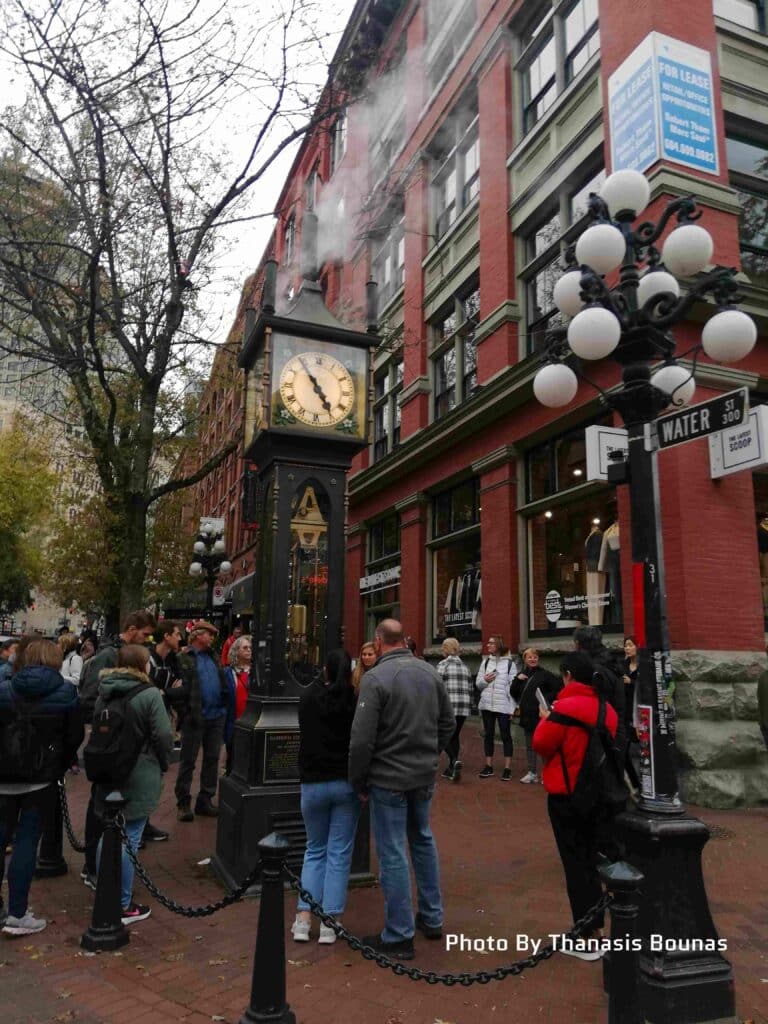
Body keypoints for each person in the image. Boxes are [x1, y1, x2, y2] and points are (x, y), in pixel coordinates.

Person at [349, 619, 454, 960]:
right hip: (423, 777)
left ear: (379, 641)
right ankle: (432, 917)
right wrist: (431, 754)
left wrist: (359, 779)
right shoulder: (430, 672)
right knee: (422, 839)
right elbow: (448, 722)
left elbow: (362, 740)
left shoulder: (376, 678)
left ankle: (399, 933)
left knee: (392, 851)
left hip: (388, 779)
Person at [533, 651, 618, 962]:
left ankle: (587, 934)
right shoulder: (605, 708)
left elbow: (541, 743)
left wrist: (546, 719)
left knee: (576, 864)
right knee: (596, 861)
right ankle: (602, 928)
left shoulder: (563, 708)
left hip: (567, 795)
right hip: (602, 795)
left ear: (567, 675)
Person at [0, 637, 84, 936]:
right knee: (26, 842)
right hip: (41, 779)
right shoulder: (65, 692)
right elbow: (74, 736)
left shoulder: (5, 689)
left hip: (4, 777)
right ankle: (17, 913)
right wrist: (57, 764)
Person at [79, 611, 161, 888]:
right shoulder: (108, 656)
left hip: (121, 750)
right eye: (145, 634)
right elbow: (90, 697)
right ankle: (93, 868)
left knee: (111, 814)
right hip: (110, 748)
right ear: (132, 629)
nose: (148, 640)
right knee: (100, 811)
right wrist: (111, 726)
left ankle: (100, 869)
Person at [94, 644, 173, 925]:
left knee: (110, 833)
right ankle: (122, 904)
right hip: (139, 771)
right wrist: (164, 760)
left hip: (108, 769)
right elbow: (163, 734)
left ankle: (103, 888)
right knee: (131, 836)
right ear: (142, 664)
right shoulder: (149, 693)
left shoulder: (105, 689)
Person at [292, 649, 360, 945]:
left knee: (314, 849)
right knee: (339, 853)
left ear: (325, 670)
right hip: (344, 783)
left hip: (313, 783)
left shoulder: (307, 699)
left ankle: (303, 919)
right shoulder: (354, 701)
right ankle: (331, 923)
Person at [174, 620, 232, 821]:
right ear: (198, 635)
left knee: (212, 759)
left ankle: (205, 799)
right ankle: (183, 802)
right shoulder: (183, 657)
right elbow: (178, 687)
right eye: (209, 634)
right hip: (195, 716)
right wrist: (185, 712)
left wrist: (223, 704)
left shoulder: (213, 656)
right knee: (188, 761)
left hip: (216, 715)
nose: (212, 638)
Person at [510, 648, 562, 784]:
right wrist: (517, 680)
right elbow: (513, 693)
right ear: (525, 660)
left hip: (540, 716)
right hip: (527, 716)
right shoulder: (521, 675)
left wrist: (544, 698)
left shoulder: (545, 675)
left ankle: (547, 773)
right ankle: (532, 772)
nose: (533, 659)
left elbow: (558, 690)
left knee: (544, 746)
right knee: (530, 745)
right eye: (529, 657)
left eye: (535, 657)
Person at [475, 634, 519, 781]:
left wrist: (513, 708)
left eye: (491, 643)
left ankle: (507, 768)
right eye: (488, 643)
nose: (488, 645)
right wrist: (485, 681)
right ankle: (489, 766)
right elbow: (478, 684)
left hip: (503, 706)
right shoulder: (486, 662)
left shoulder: (509, 664)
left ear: (499, 645)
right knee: (488, 735)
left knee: (506, 736)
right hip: (487, 704)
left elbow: (513, 688)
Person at [435, 637, 472, 782]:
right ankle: (451, 768)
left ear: (446, 648)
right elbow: (470, 688)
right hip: (463, 707)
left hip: (448, 706)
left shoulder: (443, 665)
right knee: (454, 735)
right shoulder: (465, 666)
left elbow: (437, 687)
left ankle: (454, 760)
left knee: (441, 735)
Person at [223, 634, 252, 774]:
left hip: (251, 722)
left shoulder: (257, 673)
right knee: (233, 759)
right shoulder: (227, 673)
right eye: (245, 647)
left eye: (250, 648)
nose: (249, 650)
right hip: (234, 723)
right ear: (236, 651)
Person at [622, 636, 641, 788]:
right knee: (625, 749)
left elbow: (646, 688)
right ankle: (634, 784)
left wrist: (631, 682)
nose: (627, 648)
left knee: (637, 748)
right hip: (625, 710)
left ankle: (639, 783)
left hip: (639, 712)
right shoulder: (624, 665)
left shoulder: (644, 666)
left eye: (630, 645)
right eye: (625, 646)